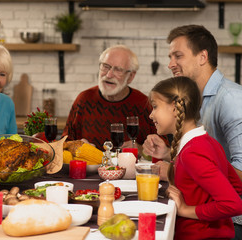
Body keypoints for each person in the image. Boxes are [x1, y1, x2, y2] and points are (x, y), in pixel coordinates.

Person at [142, 25, 242, 238]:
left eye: (178, 56)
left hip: (226, 221)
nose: (170, 64)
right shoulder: (195, 105)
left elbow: (233, 186)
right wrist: (171, 155)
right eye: (170, 57)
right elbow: (211, 161)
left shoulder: (232, 100)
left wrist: (175, 171)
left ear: (203, 57)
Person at [150, 76, 242, 239]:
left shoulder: (193, 152)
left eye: (155, 106)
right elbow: (237, 186)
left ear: (174, 108)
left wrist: (185, 209)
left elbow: (233, 204)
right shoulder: (208, 142)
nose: (151, 115)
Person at [62, 45, 156, 151]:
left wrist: (140, 149)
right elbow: (64, 143)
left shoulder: (144, 104)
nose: (109, 74)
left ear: (130, 77)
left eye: (118, 70)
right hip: (89, 167)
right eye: (105, 66)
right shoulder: (84, 99)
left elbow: (164, 148)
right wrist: (75, 145)